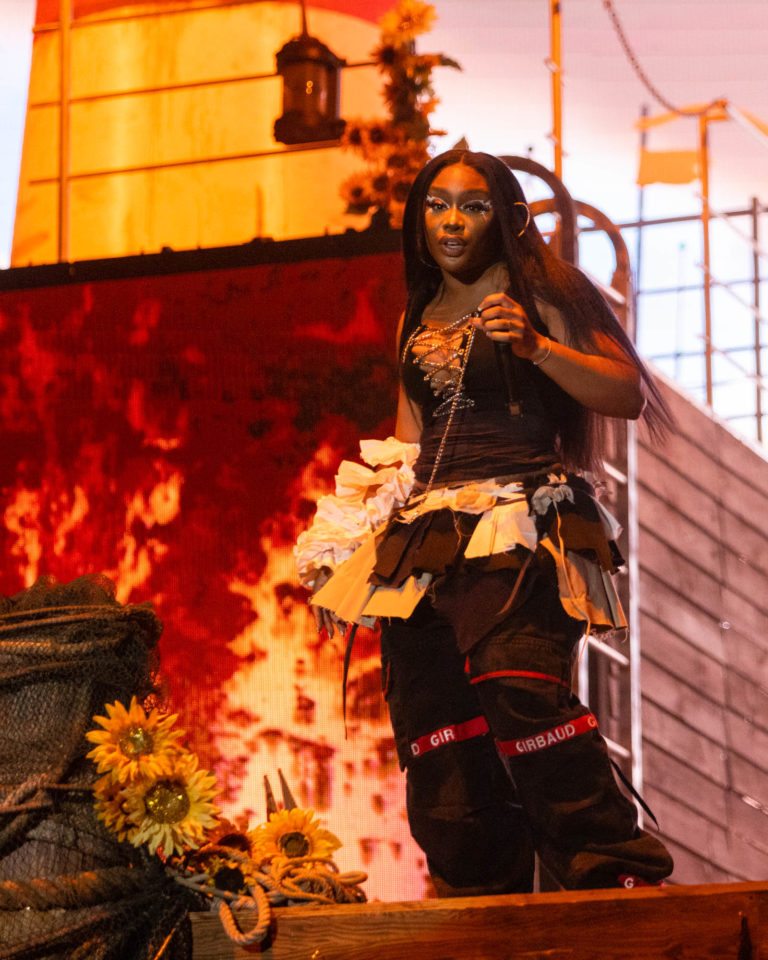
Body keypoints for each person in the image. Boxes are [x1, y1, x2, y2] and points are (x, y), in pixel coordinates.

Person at [296, 149, 674, 896]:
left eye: (472, 206)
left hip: (521, 519)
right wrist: (357, 538)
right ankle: (475, 891)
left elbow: (626, 393)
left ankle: (610, 868)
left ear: (507, 218)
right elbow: (409, 438)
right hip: (430, 531)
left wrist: (536, 347)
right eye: (437, 205)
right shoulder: (415, 313)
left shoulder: (546, 292)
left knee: (517, 679)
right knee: (433, 714)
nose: (452, 222)